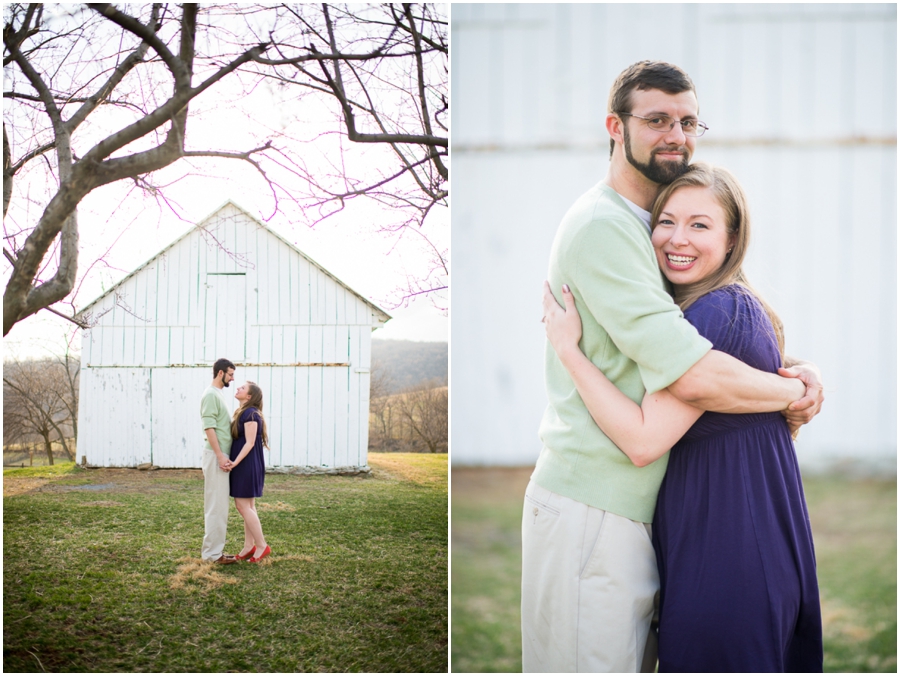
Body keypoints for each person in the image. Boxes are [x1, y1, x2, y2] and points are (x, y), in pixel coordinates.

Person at [522, 60, 824, 673]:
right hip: (594, 502)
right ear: (615, 125)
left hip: (631, 510)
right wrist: (789, 390)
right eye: (657, 119)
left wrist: (787, 365)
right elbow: (690, 374)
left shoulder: (644, 225)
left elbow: (687, 339)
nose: (676, 135)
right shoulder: (606, 227)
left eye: (688, 121)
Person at [229, 381, 271, 563]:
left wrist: (234, 463)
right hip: (246, 464)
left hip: (246, 464)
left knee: (242, 506)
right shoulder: (244, 412)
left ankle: (261, 545)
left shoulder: (251, 414)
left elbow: (250, 442)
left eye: (242, 388)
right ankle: (249, 546)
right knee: (249, 507)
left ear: (249, 396)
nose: (238, 388)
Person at [200, 358, 237, 564]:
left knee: (220, 506)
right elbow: (209, 427)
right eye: (230, 374)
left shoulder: (219, 394)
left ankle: (215, 552)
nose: (232, 378)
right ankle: (212, 556)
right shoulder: (210, 394)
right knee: (216, 506)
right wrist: (220, 455)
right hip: (216, 456)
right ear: (220, 373)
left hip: (220, 455)